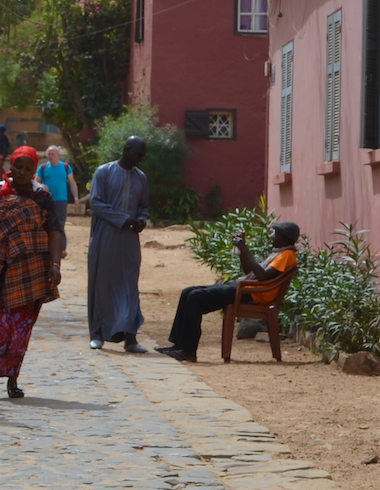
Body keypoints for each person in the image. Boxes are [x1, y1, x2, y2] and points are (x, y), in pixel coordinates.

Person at [0, 145, 64, 399]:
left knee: (20, 328)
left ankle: (13, 380)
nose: (23, 172)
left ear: (35, 170)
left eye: (29, 168)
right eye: (18, 167)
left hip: (31, 274)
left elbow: (54, 233)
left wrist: (55, 265)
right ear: (10, 167)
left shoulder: (43, 198)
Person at [157, 222, 301, 363]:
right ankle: (179, 345)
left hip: (251, 293)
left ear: (285, 238)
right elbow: (250, 272)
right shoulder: (280, 253)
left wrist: (245, 249)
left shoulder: (287, 254)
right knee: (188, 292)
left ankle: (188, 351)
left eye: (276, 234)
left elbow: (262, 276)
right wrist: (241, 250)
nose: (272, 237)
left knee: (195, 297)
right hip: (246, 288)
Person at [87, 137, 151, 353]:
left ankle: (130, 338)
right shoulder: (103, 172)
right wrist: (123, 219)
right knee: (102, 284)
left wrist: (141, 219)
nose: (140, 159)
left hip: (129, 240)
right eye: (138, 154)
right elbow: (95, 202)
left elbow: (143, 206)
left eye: (143, 155)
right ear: (126, 149)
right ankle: (97, 334)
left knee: (129, 287)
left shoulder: (141, 178)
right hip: (106, 236)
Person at [35, 145, 80, 227]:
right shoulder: (43, 167)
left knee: (60, 225)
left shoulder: (66, 167)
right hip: (46, 200)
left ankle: (61, 240)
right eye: (49, 154)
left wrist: (76, 197)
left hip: (61, 201)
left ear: (58, 155)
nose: (50, 156)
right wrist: (41, 186)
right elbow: (35, 182)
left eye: (53, 154)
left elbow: (72, 183)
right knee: (46, 224)